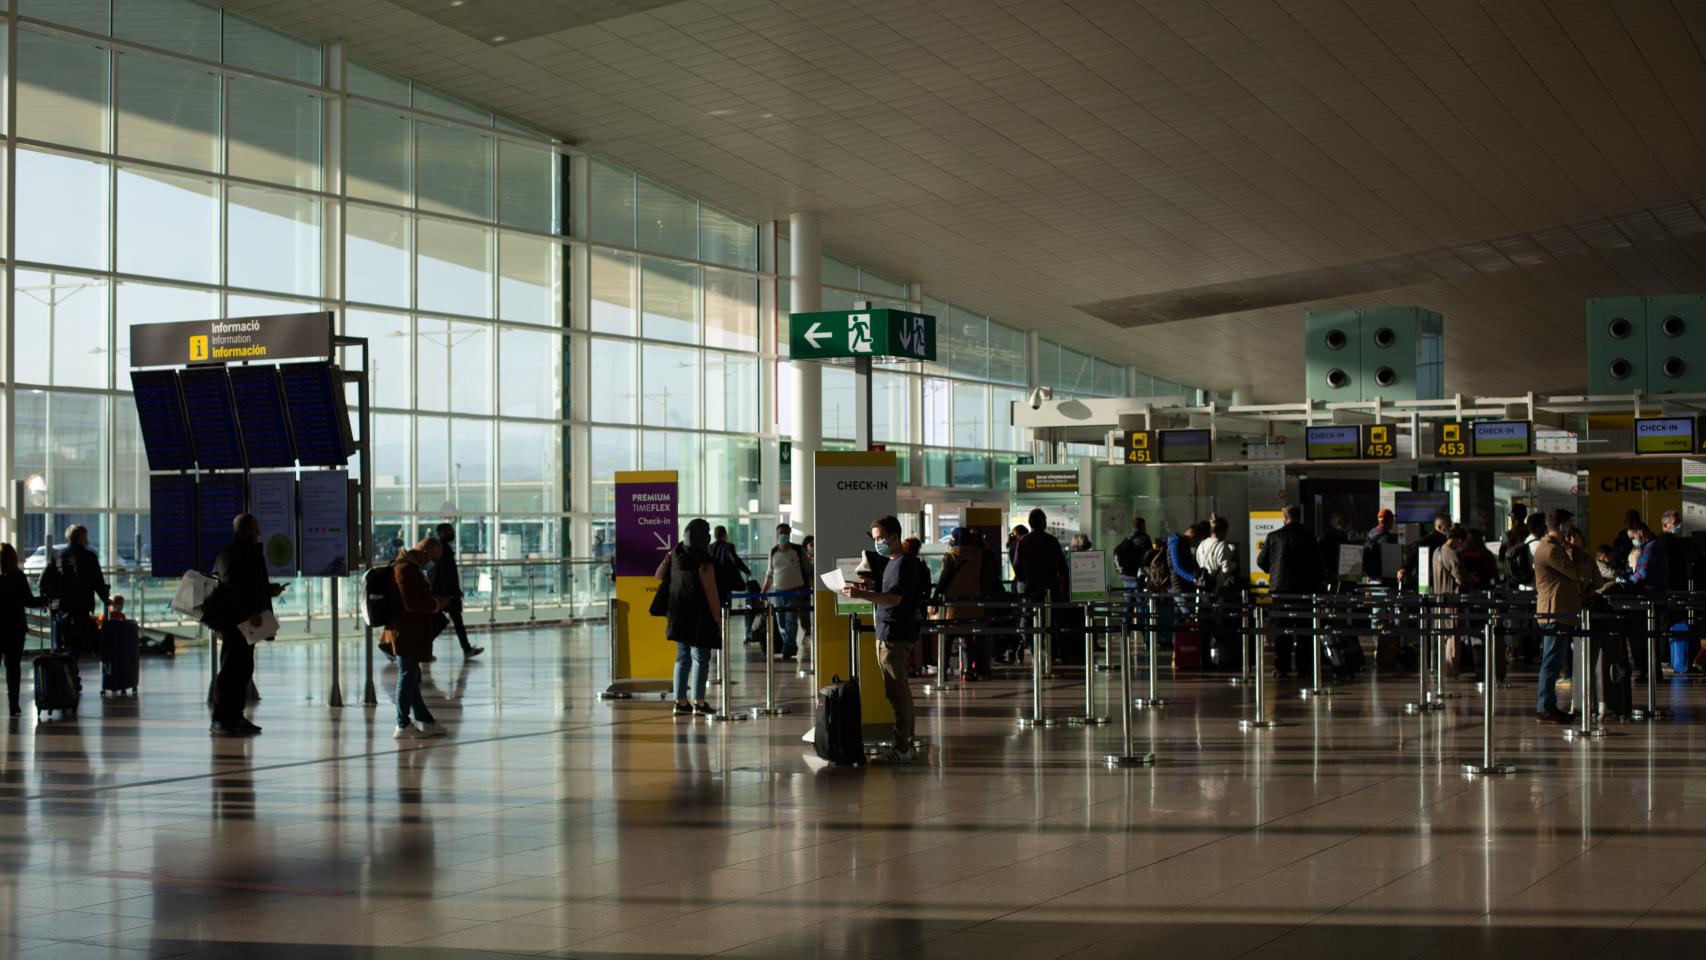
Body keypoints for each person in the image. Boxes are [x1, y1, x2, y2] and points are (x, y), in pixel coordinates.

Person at [843, 515, 924, 763]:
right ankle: (906, 742)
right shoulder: (892, 563)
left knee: (897, 693)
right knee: (900, 691)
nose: (877, 543)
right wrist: (871, 588)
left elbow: (894, 599)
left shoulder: (903, 563)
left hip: (894, 635)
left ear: (894, 537)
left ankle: (902, 747)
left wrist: (861, 595)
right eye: (875, 539)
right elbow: (888, 593)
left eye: (881, 538)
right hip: (888, 632)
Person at [209, 514, 286, 737]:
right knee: (231, 670)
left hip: (245, 622)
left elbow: (248, 584)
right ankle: (220, 719)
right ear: (246, 530)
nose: (258, 533)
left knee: (242, 669)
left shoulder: (244, 551)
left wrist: (268, 590)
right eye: (255, 529)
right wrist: (249, 613)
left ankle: (235, 716)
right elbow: (232, 587)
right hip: (236, 623)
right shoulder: (234, 552)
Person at [383, 537, 450, 740]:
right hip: (405, 633)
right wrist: (437, 604)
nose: (433, 563)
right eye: (434, 558)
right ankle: (402, 724)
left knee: (412, 678)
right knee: (407, 677)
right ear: (425, 553)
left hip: (409, 632)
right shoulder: (405, 569)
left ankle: (426, 720)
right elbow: (412, 604)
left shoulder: (410, 567)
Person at [658, 519, 721, 717]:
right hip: (699, 615)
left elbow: (658, 575)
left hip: (677, 614)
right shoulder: (704, 559)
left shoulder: (675, 553)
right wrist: (718, 619)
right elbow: (711, 592)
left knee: (682, 656)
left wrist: (670, 557)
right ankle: (699, 702)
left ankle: (680, 701)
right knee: (700, 658)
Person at [1256, 504, 1324, 679]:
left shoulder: (1273, 536)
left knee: (1281, 629)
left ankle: (1282, 667)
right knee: (1304, 630)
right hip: (1304, 590)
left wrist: (1274, 569)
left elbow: (1261, 561)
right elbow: (1317, 564)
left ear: (1285, 518)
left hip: (1280, 589)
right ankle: (1304, 666)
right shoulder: (1309, 536)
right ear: (1299, 517)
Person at [1533, 510, 1583, 723]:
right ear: (1562, 525)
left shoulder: (1550, 547)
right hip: (1555, 612)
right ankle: (1545, 707)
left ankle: (1547, 705)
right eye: (1569, 524)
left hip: (1556, 611)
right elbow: (1575, 572)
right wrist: (1577, 548)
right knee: (1551, 661)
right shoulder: (1551, 550)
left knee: (1552, 660)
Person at [935, 527, 1002, 679]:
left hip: (953, 603)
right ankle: (968, 671)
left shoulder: (952, 554)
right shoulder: (979, 554)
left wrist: (936, 597)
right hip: (973, 601)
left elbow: (944, 580)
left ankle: (942, 672)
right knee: (967, 637)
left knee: (948, 638)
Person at [39, 524, 110, 662]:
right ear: (81, 537)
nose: (87, 539)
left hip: (59, 607)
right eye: (86, 536)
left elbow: (43, 580)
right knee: (76, 643)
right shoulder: (89, 556)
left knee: (63, 643)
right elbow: (97, 580)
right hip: (80, 606)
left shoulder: (57, 555)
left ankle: (65, 669)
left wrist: (45, 598)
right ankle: (70, 669)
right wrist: (105, 598)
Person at [2, 543, 51, 717]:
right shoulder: (18, 577)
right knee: (13, 668)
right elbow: (28, 601)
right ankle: (13, 705)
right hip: (14, 628)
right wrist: (45, 600)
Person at [430, 523, 483, 660]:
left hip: (442, 592)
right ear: (442, 532)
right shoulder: (444, 549)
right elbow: (446, 573)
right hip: (447, 594)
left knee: (442, 622)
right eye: (450, 531)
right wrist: (451, 593)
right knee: (446, 622)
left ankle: (466, 649)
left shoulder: (439, 548)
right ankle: (466, 649)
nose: (452, 533)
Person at [761, 523, 807, 660]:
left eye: (786, 532)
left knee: (791, 620)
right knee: (781, 621)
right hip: (778, 592)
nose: (784, 535)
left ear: (790, 533)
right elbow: (769, 574)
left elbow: (808, 570)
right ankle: (790, 645)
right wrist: (763, 591)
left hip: (795, 591)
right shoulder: (773, 552)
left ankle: (788, 648)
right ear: (777, 534)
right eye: (781, 532)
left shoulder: (797, 550)